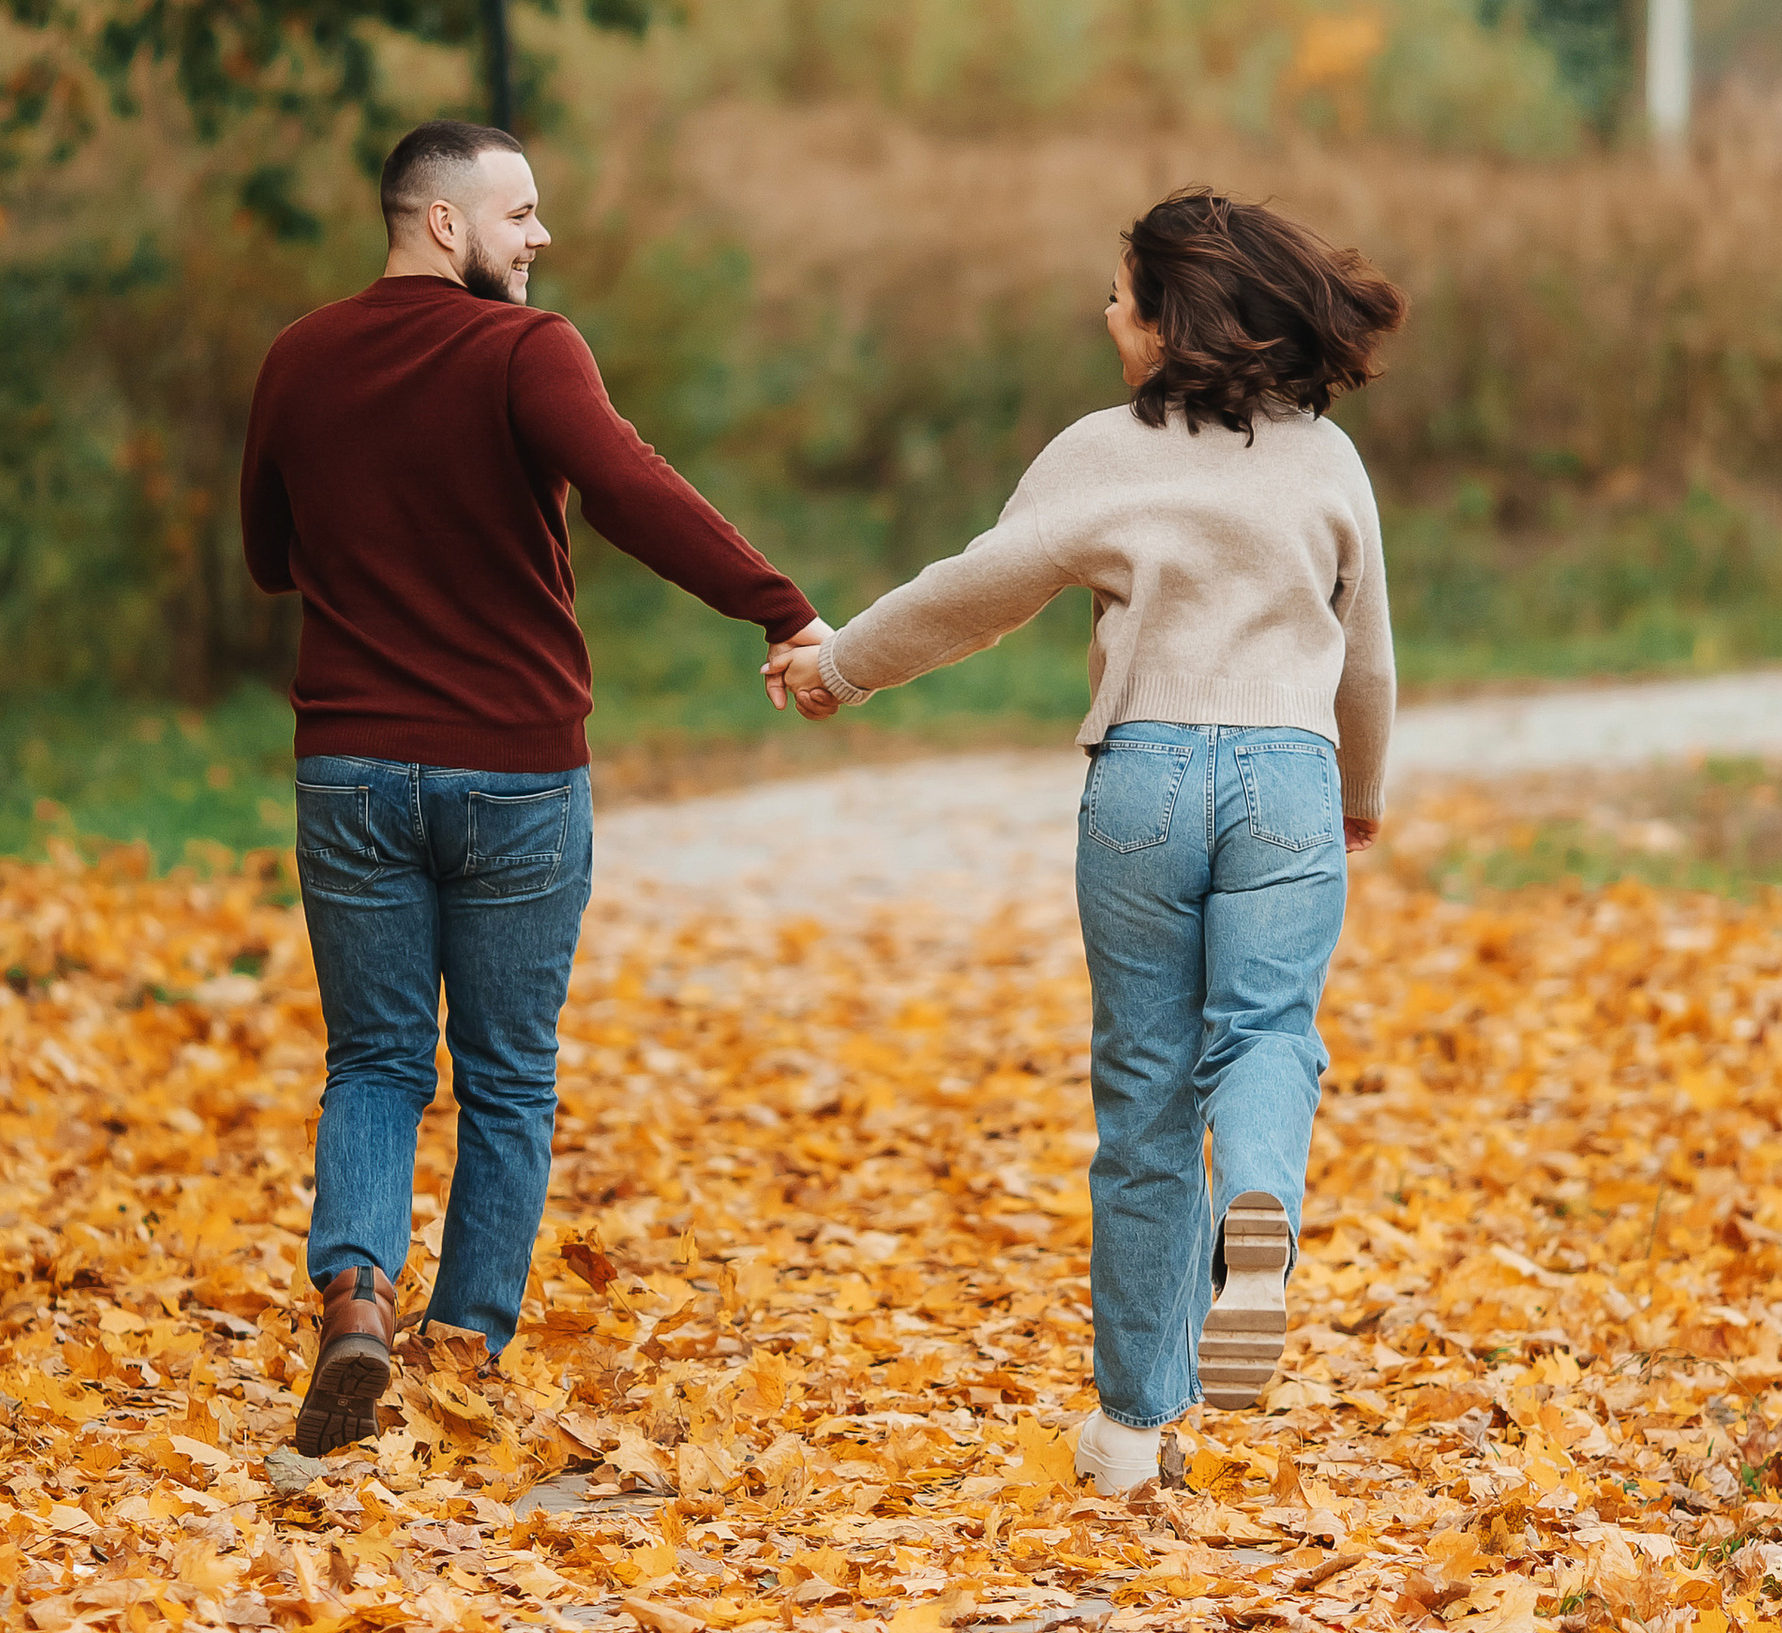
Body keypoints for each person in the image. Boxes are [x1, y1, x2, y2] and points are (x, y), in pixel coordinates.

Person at [770, 188, 1404, 1494]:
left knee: (1146, 1098)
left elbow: (972, 593)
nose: (1105, 314)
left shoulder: (1100, 453)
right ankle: (1263, 1203)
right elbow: (1368, 658)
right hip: (1287, 772)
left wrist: (845, 670)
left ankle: (1131, 1431)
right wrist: (1359, 790)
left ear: (1174, 323)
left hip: (1148, 776)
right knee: (1269, 1035)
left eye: (1120, 296)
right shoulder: (1328, 463)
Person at [241, 120, 824, 1454]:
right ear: (444, 224)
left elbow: (271, 556)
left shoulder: (298, 357)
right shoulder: (526, 349)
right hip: (512, 769)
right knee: (506, 1070)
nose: (541, 238)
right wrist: (777, 607)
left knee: (377, 1057)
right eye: (522, 214)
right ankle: (464, 1344)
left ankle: (353, 1301)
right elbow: (628, 485)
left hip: (351, 765)